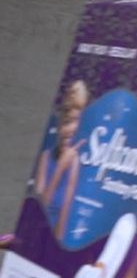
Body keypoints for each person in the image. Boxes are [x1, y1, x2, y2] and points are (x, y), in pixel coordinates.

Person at [34, 80, 87, 239]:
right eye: (67, 122)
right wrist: (59, 168)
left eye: (76, 123)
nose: (71, 130)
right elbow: (38, 210)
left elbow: (64, 217)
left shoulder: (74, 163)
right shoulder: (46, 157)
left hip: (49, 241)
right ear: (59, 126)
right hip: (33, 235)